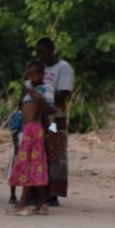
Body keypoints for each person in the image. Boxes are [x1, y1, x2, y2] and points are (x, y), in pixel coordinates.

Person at [6, 60, 55, 216]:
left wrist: (38, 98)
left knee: (28, 164)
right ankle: (41, 203)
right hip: (26, 129)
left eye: (33, 75)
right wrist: (23, 95)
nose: (30, 78)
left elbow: (50, 110)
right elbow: (21, 107)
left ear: (42, 75)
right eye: (28, 75)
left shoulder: (46, 88)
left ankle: (23, 203)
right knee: (35, 164)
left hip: (34, 129)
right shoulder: (28, 86)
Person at [35, 37, 74, 206]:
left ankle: (53, 193)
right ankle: (40, 190)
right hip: (41, 115)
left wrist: (41, 96)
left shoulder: (63, 68)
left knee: (54, 149)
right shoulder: (40, 67)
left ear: (51, 50)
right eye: (38, 53)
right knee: (40, 149)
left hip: (54, 118)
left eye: (42, 53)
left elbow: (63, 93)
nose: (40, 56)